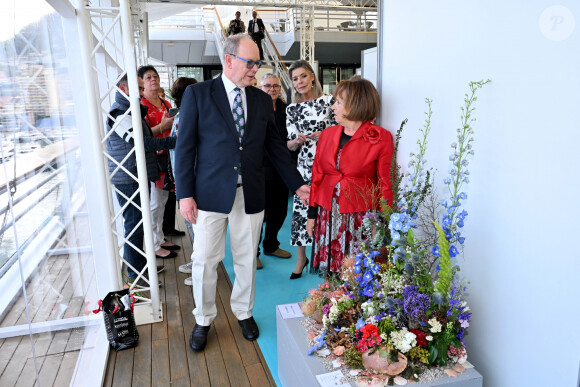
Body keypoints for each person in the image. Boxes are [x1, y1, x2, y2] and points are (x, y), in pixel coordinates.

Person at [174, 34, 309, 352]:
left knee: (247, 258)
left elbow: (275, 147)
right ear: (229, 60)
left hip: (250, 193)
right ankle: (203, 319)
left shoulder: (262, 100)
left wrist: (297, 183)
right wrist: (185, 194)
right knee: (205, 260)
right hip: (208, 195)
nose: (256, 69)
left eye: (258, 63)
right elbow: (185, 148)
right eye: (251, 63)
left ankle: (243, 312)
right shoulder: (198, 94)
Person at [306, 76, 394, 274]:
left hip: (360, 215)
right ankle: (332, 302)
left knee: (357, 271)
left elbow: (385, 182)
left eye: (338, 102)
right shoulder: (328, 134)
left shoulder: (381, 137)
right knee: (331, 269)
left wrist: (380, 221)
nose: (333, 107)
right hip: (327, 212)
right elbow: (317, 176)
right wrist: (312, 215)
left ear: (355, 104)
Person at [106, 74, 177, 287]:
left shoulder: (129, 111)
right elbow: (139, 142)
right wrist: (175, 141)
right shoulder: (120, 114)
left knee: (138, 223)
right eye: (138, 87)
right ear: (123, 89)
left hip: (134, 174)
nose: (142, 90)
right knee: (134, 225)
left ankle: (138, 268)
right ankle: (136, 277)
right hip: (129, 177)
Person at [286, 59, 336, 279]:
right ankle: (301, 258)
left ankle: (328, 257)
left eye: (303, 76)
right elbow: (288, 143)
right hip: (305, 164)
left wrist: (324, 135)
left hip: (328, 163)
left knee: (327, 208)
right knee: (301, 211)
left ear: (312, 76)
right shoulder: (292, 109)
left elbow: (342, 129)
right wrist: (297, 141)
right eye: (295, 79)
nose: (300, 82)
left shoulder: (330, 101)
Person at [138, 65, 181, 259]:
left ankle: (160, 237)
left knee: (163, 201)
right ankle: (153, 245)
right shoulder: (141, 105)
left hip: (167, 158)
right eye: (148, 78)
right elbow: (142, 138)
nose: (153, 80)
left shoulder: (165, 103)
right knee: (154, 203)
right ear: (141, 83)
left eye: (155, 76)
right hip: (153, 159)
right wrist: (162, 126)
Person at [257, 73, 292, 264]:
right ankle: (253, 253)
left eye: (275, 86)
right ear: (261, 88)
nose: (272, 89)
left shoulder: (286, 110)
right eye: (267, 86)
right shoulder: (253, 109)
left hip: (281, 169)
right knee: (258, 214)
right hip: (260, 169)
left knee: (279, 212)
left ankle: (271, 245)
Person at [167, 76, 199, 286]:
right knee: (193, 223)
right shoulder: (182, 116)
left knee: (196, 223)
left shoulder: (186, 117)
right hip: (185, 177)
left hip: (190, 178)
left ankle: (201, 268)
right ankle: (198, 262)